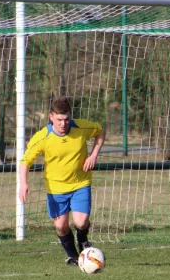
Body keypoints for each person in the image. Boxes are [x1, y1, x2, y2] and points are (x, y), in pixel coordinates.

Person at [18, 96, 105, 266]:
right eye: (59, 119)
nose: (63, 123)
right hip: (56, 189)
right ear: (51, 117)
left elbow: (100, 132)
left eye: (66, 119)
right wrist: (23, 183)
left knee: (81, 222)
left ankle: (83, 241)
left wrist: (93, 155)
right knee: (61, 226)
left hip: (80, 184)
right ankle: (73, 256)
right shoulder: (42, 137)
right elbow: (25, 161)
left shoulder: (81, 127)